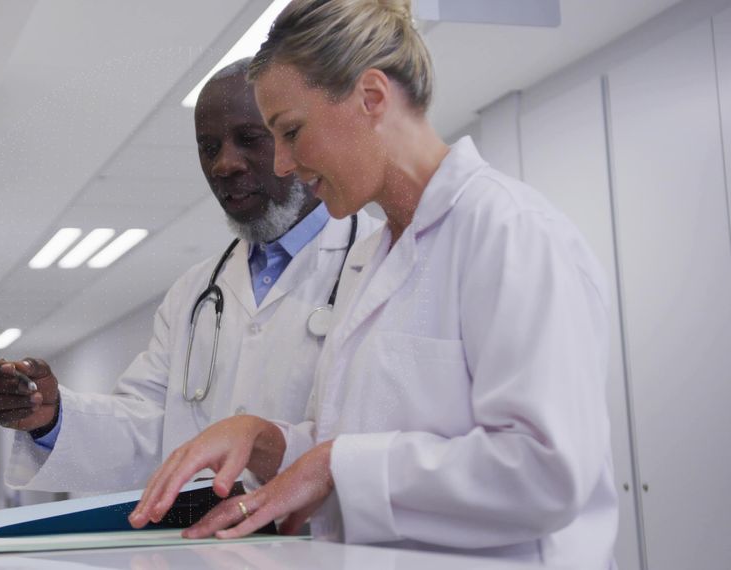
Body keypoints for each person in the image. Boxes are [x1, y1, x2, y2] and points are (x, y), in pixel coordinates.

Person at [130, 1, 619, 567]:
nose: (283, 164)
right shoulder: (372, 259)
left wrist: (335, 462)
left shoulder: (513, 234)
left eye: (291, 131)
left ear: (371, 97)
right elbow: (361, 444)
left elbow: (547, 473)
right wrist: (267, 440)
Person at [0, 58, 376, 494]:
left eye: (249, 139)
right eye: (208, 147)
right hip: (205, 548)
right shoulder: (193, 293)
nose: (225, 164)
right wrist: (50, 417)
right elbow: (148, 428)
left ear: (295, 138)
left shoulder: (378, 262)